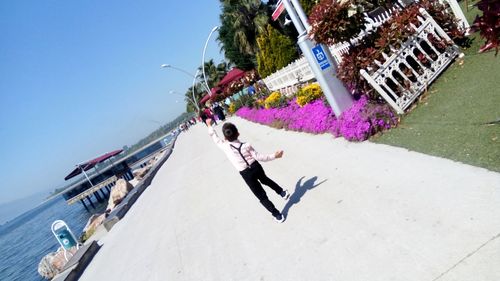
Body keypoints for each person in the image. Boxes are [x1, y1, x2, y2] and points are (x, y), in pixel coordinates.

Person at [206, 119, 290, 223]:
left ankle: (278, 215)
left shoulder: (225, 146)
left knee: (261, 196)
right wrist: (275, 156)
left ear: (225, 137)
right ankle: (282, 192)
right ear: (238, 133)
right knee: (266, 180)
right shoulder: (246, 145)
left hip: (246, 174)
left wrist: (209, 125)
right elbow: (260, 157)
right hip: (255, 166)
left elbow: (215, 138)